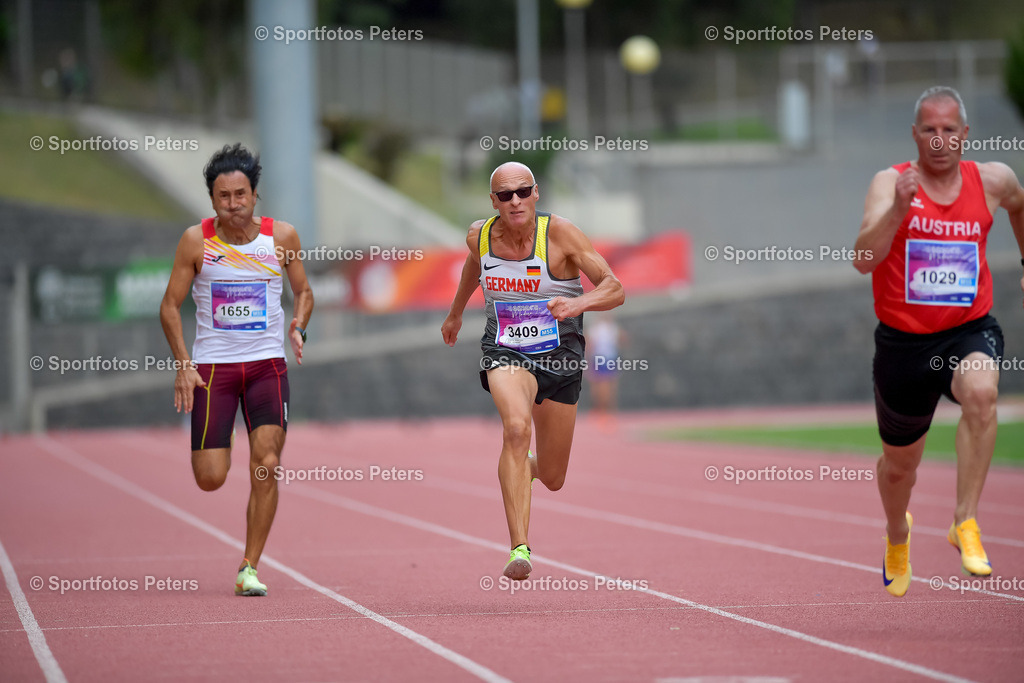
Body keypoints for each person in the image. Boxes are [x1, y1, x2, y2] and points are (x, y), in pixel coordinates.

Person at [853, 86, 1024, 597]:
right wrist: (897, 212)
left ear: (966, 134)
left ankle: (964, 519)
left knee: (982, 394)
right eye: (930, 129)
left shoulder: (994, 180)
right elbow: (863, 258)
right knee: (900, 468)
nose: (940, 139)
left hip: (968, 329)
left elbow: (1019, 206)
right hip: (903, 345)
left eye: (950, 130)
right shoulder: (891, 183)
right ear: (915, 134)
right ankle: (897, 532)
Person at [441, 162, 624, 580]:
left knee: (555, 476)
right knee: (516, 430)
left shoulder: (560, 234)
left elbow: (615, 288)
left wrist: (576, 304)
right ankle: (518, 548)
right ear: (493, 202)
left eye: (522, 191)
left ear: (536, 193)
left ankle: (520, 468)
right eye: (505, 195)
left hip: (560, 354)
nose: (515, 201)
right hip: (506, 349)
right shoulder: (480, 236)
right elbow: (476, 263)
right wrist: (455, 314)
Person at [160, 143, 314, 596]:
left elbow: (304, 292)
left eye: (240, 195)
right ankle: (222, 429)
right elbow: (169, 306)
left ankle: (249, 566)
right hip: (213, 370)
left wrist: (300, 324)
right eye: (223, 197)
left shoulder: (281, 237)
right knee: (210, 478)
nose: (233, 205)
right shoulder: (196, 241)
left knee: (266, 463)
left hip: (268, 366)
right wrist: (183, 365)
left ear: (254, 195)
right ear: (212, 199)